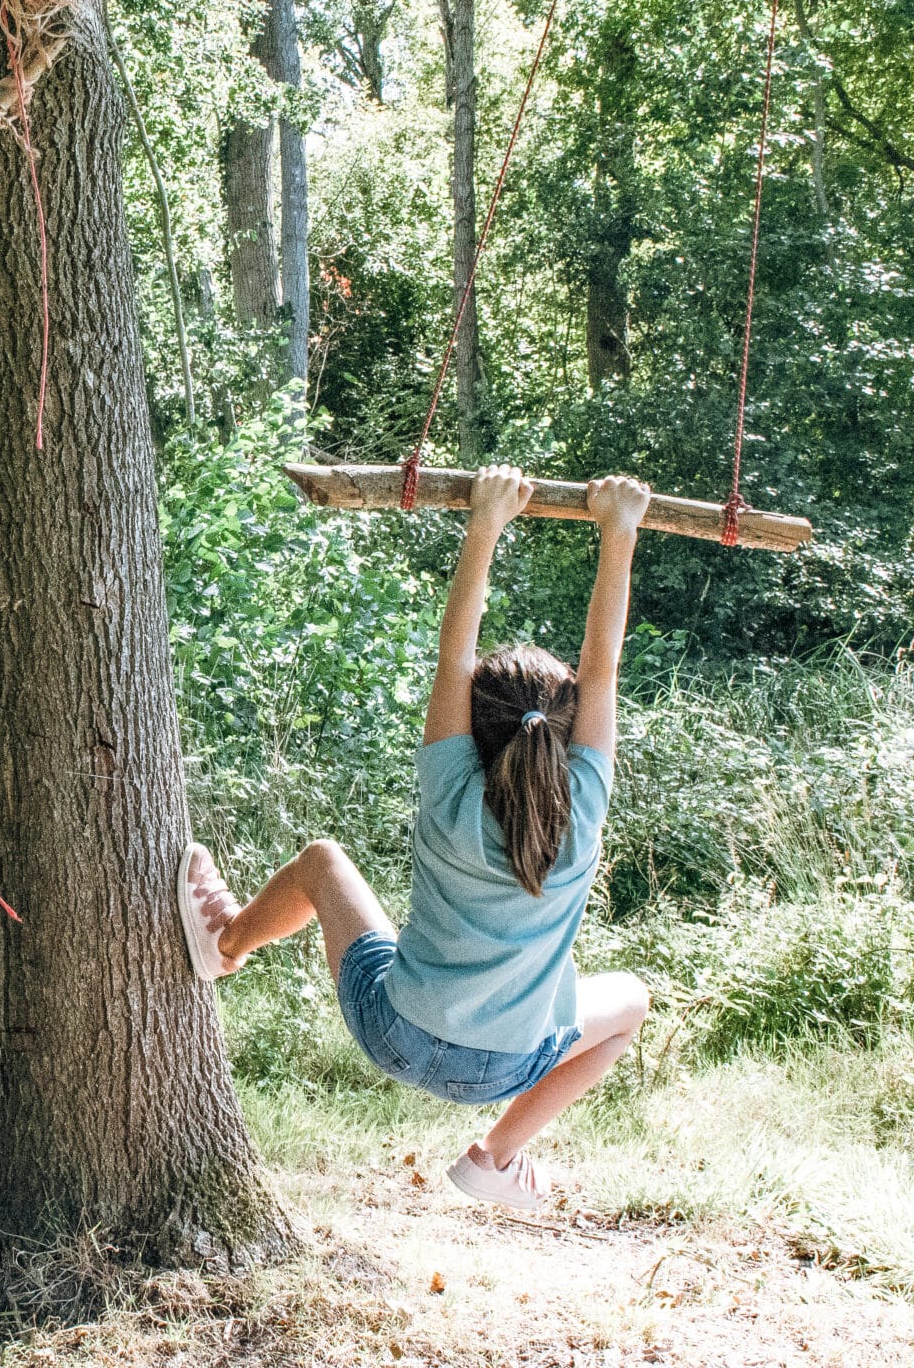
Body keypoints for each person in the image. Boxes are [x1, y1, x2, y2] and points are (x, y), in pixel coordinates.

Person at [179, 467, 653, 1211]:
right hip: (508, 1069)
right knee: (628, 1002)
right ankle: (496, 1154)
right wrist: (620, 530)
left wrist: (486, 522)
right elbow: (604, 667)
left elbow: (454, 659)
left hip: (395, 1031)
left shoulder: (452, 786)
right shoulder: (584, 805)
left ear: (473, 720)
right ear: (564, 731)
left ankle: (227, 944)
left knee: (323, 862)